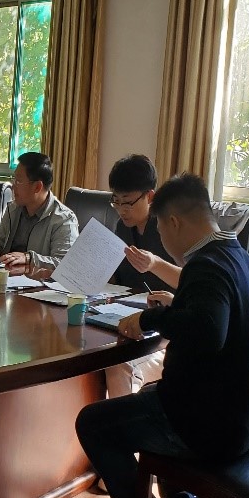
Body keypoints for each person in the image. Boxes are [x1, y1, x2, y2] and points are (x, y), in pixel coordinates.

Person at [76, 174, 249, 498]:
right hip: (246, 421)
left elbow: (208, 331)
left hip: (209, 428)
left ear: (173, 222)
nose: (163, 240)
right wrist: (179, 306)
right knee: (149, 394)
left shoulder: (206, 265)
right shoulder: (238, 257)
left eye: (161, 230)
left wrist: (148, 318)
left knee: (93, 423)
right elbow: (215, 317)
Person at [104, 155, 177, 399]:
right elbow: (117, 279)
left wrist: (155, 265)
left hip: (162, 331)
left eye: (128, 202)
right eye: (116, 201)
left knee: (118, 361)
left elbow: (188, 282)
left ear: (150, 196)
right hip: (126, 319)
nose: (121, 210)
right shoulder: (122, 227)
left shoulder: (169, 230)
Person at [0, 152, 77, 270]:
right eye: (13, 179)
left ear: (37, 187)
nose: (13, 186)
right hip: (7, 275)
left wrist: (29, 258)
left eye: (18, 181)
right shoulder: (13, 209)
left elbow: (64, 264)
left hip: (36, 281)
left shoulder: (63, 220)